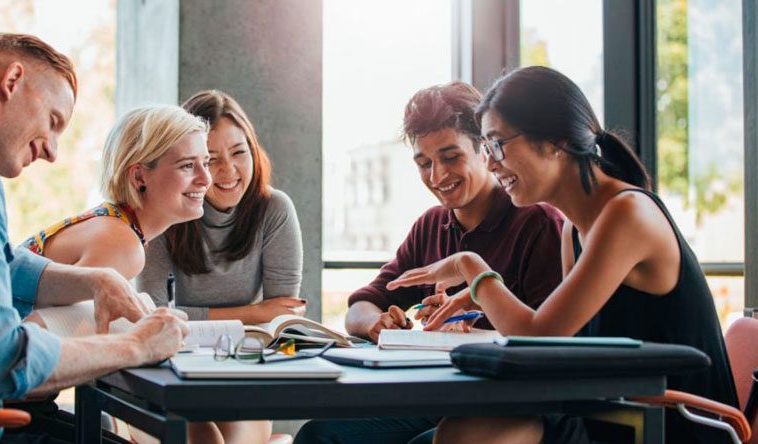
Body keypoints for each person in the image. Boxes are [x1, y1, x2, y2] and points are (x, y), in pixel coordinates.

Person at [387, 66, 738, 444]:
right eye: (487, 148)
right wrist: (478, 294)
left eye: (498, 145)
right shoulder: (575, 228)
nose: (490, 163)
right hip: (612, 411)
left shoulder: (626, 214)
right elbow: (559, 346)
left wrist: (470, 268)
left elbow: (539, 335)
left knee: (465, 435)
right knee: (459, 430)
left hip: (669, 424)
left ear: (555, 141)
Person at [0, 33, 189, 444]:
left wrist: (95, 280)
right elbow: (1, 361)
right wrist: (137, 345)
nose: (53, 151)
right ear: (12, 80)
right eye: (54, 121)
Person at [295, 81, 564, 444]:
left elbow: (548, 343)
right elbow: (362, 303)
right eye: (424, 163)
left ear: (485, 150)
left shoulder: (537, 223)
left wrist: (475, 319)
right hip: (438, 399)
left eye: (451, 157)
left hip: (508, 406)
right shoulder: (431, 225)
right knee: (320, 435)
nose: (437, 176)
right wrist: (377, 323)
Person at [136, 90, 303, 443]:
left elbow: (283, 318)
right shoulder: (164, 212)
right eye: (210, 160)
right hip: (169, 376)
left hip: (240, 375)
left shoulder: (274, 209)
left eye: (239, 152)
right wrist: (253, 312)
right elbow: (153, 317)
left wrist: (260, 316)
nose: (228, 171)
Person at [21, 105, 211, 281]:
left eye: (206, 163)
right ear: (139, 177)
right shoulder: (123, 246)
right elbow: (41, 317)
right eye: (187, 165)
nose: (206, 179)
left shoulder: (117, 225)